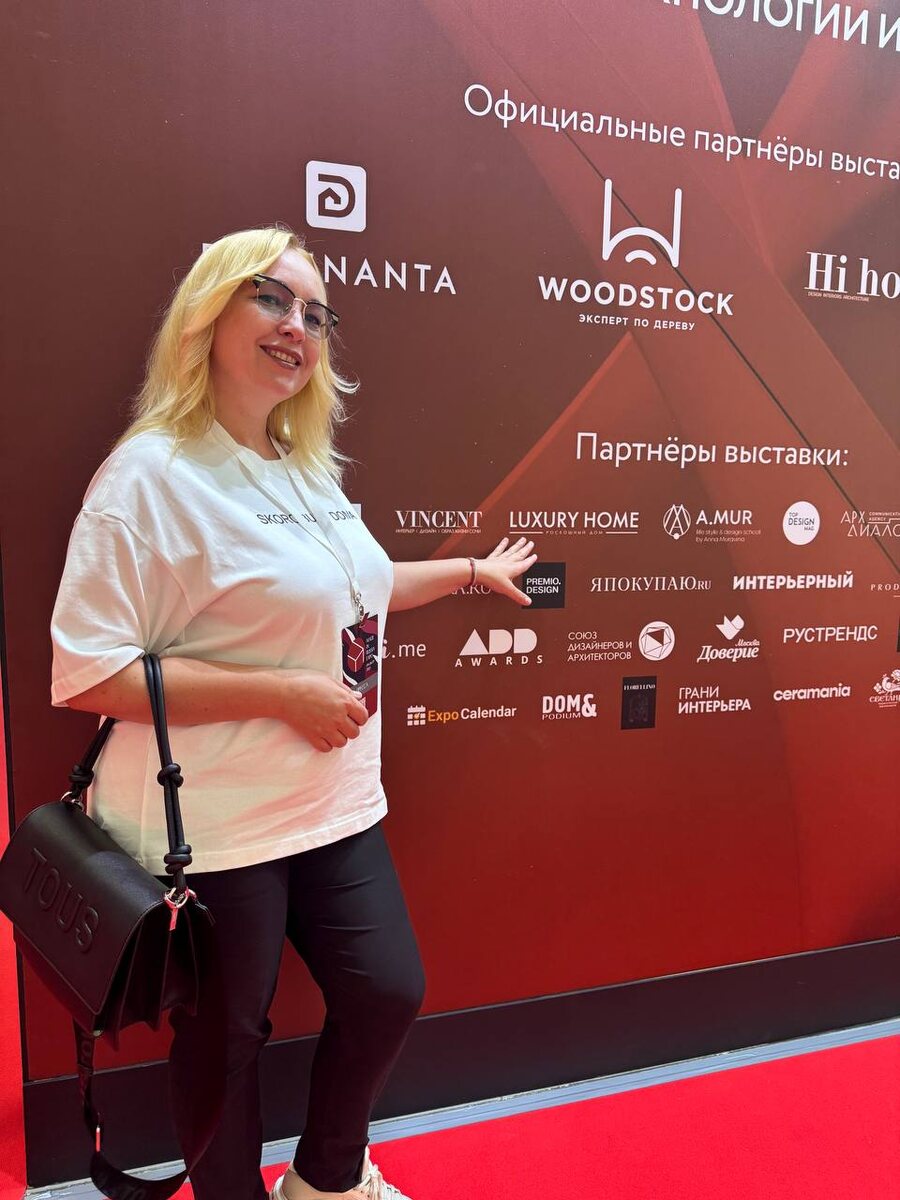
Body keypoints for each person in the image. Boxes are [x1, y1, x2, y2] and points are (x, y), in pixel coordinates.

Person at [49, 227, 537, 1200]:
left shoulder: (299, 462)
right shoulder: (149, 477)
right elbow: (88, 672)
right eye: (271, 298)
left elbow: (356, 587)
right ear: (209, 312)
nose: (297, 326)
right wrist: (279, 694)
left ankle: (325, 1181)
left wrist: (469, 572)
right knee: (226, 1038)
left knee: (387, 990)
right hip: (219, 826)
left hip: (333, 803)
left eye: (316, 313)